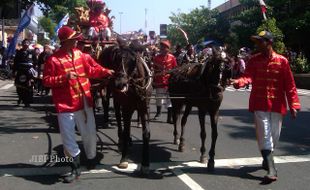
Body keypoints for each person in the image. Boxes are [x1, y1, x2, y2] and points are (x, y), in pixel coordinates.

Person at [43, 26, 114, 183]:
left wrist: (105, 71)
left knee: (89, 132)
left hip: (84, 101)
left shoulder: (80, 55)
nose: (77, 41)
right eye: (74, 39)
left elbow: (92, 69)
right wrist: (64, 77)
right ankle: (75, 167)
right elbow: (46, 81)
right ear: (65, 41)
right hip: (65, 104)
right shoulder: (53, 60)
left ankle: (91, 158)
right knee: (68, 137)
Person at [231, 31, 300, 183]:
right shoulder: (254, 60)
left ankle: (266, 158)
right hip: (259, 104)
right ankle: (271, 169)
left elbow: (290, 85)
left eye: (260, 42)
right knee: (264, 135)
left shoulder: (282, 61)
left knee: (274, 137)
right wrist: (240, 82)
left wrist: (294, 104)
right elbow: (248, 76)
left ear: (269, 43)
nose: (257, 45)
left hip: (277, 105)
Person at [153, 40, 177, 123]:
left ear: (168, 49)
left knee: (169, 100)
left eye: (165, 48)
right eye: (162, 47)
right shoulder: (156, 58)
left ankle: (169, 118)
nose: (163, 49)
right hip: (159, 81)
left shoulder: (172, 57)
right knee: (158, 99)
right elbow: (154, 70)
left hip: (169, 82)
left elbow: (175, 69)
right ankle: (158, 112)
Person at [12, 39, 37, 107]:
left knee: (29, 86)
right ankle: (21, 98)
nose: (26, 44)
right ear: (22, 44)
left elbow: (35, 62)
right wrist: (14, 71)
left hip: (29, 72)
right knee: (19, 87)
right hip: (21, 71)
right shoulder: (18, 52)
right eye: (24, 43)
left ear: (29, 44)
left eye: (27, 43)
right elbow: (15, 62)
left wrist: (34, 71)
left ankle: (27, 101)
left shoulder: (31, 52)